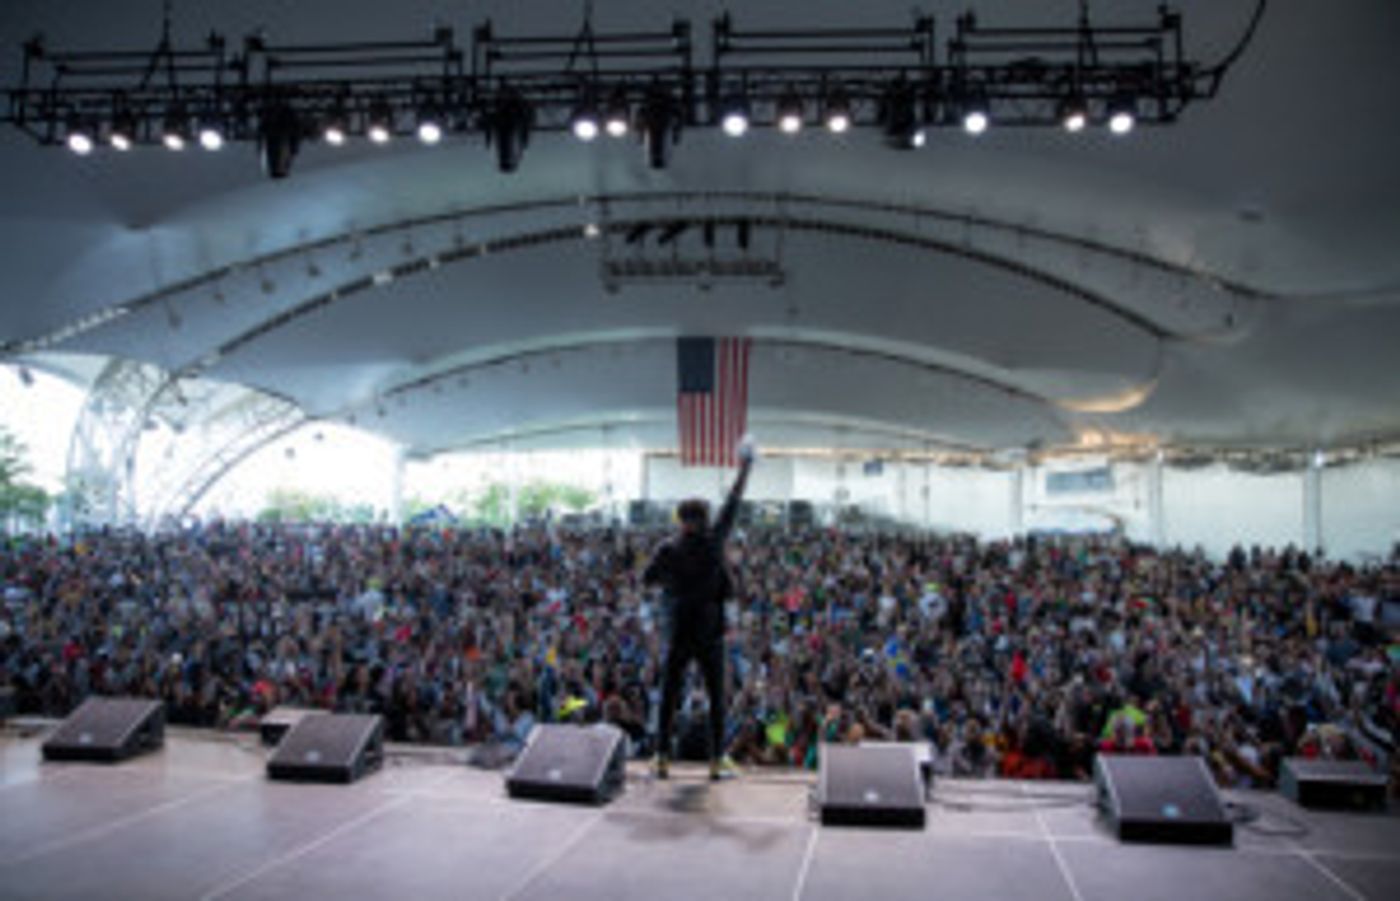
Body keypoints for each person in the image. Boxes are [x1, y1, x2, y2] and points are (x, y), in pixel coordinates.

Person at [644, 435, 755, 780]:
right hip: (709, 629)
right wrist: (745, 468)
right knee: (716, 695)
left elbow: (647, 579)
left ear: (681, 520)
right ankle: (717, 760)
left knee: (670, 692)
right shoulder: (713, 540)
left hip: (678, 627)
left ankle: (661, 757)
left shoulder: (667, 548)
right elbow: (733, 502)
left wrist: (672, 586)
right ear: (705, 519)